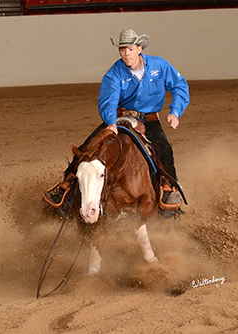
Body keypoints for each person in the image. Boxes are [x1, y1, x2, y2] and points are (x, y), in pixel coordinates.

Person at [44, 28, 189, 218]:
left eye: (130, 49)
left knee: (163, 148)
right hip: (120, 118)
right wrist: (111, 122)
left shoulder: (159, 66)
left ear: (139, 48)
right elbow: (108, 100)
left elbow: (180, 85)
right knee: (86, 149)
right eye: (122, 50)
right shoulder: (114, 73)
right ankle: (66, 190)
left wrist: (175, 112)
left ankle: (168, 189)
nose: (126, 54)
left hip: (149, 119)